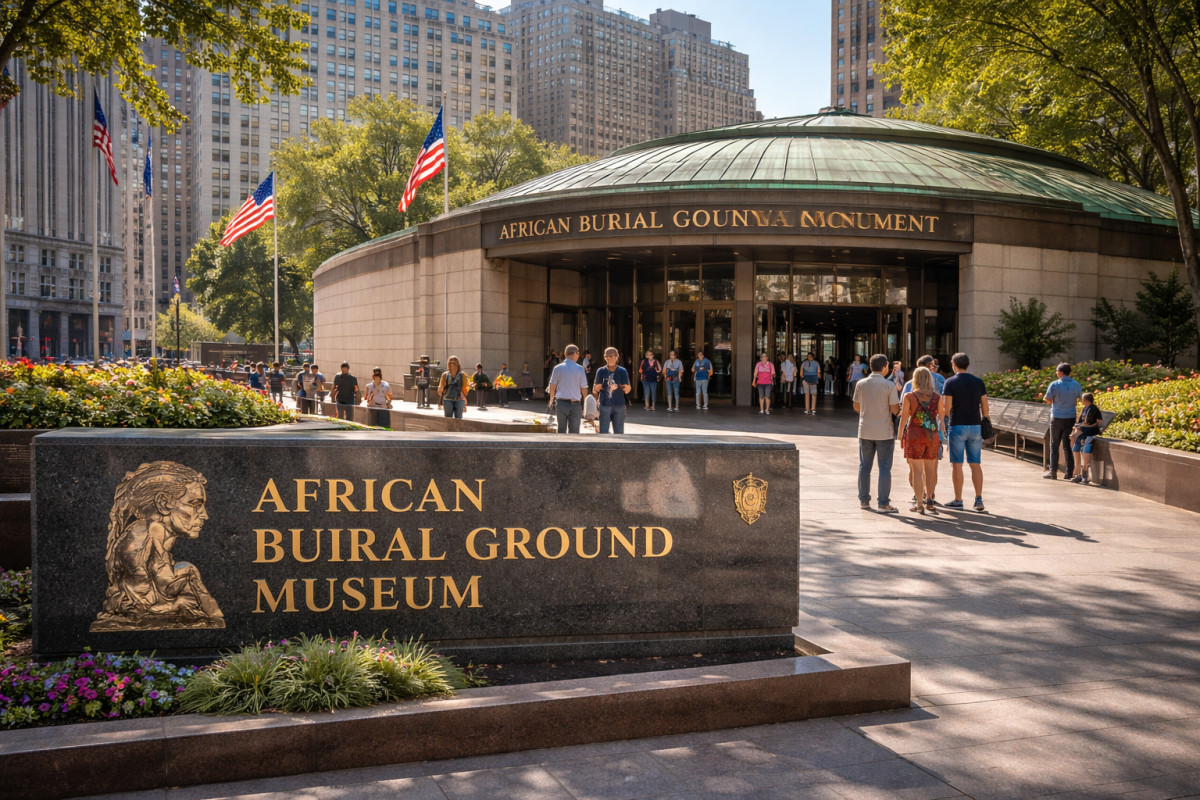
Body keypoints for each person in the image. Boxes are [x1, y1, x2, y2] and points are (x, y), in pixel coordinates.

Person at [91, 461, 223, 632]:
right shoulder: (147, 535)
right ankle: (214, 616)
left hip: (151, 596)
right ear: (163, 503)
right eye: (195, 504)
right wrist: (178, 600)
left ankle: (214, 616)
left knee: (188, 573)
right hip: (140, 602)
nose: (204, 515)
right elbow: (143, 599)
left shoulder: (156, 530)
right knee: (189, 572)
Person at [941, 352, 989, 512]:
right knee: (975, 464)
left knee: (957, 465)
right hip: (975, 426)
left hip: (958, 425)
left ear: (954, 364)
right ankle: (979, 498)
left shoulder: (950, 382)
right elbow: (985, 407)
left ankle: (958, 500)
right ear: (968, 365)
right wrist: (985, 420)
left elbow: (947, 409)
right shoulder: (978, 382)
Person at [854, 354, 901, 512]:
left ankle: (864, 501)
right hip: (884, 432)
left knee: (864, 467)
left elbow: (856, 407)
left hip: (865, 430)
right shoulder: (889, 385)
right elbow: (895, 409)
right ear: (885, 367)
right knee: (884, 468)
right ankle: (883, 503)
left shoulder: (861, 383)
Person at [899, 366, 942, 515]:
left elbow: (904, 418)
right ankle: (929, 500)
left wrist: (899, 436)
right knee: (930, 471)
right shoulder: (937, 397)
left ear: (915, 380)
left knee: (917, 471)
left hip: (914, 436)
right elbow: (941, 418)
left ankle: (919, 504)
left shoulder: (909, 396)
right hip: (932, 436)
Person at [1043, 362, 1083, 480]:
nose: (1056, 373)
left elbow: (1048, 399)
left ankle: (1053, 472)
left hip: (1056, 417)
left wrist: (1050, 400)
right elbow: (1079, 399)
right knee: (1067, 445)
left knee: (1054, 445)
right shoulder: (1076, 385)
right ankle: (1069, 473)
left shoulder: (1054, 384)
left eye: (1056, 371)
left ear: (1060, 372)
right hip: (1070, 417)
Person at [548, 343, 590, 433]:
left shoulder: (557, 368)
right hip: (575, 404)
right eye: (578, 353)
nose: (578, 355)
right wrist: (585, 403)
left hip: (561, 403)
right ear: (574, 353)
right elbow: (584, 388)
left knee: (561, 430)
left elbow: (552, 385)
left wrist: (551, 400)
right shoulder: (580, 369)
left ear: (565, 354)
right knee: (574, 432)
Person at [593, 346, 632, 433]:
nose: (611, 358)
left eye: (613, 356)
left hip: (619, 404)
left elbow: (628, 389)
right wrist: (605, 386)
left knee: (619, 431)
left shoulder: (622, 371)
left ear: (617, 357)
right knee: (603, 430)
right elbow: (596, 388)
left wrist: (620, 386)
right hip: (604, 404)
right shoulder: (601, 371)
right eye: (608, 356)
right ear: (605, 357)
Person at [1071, 392, 1103, 485]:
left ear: (1086, 400)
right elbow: (1080, 421)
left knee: (1086, 449)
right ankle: (1077, 472)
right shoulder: (1085, 409)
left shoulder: (1094, 409)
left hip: (1090, 432)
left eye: (1083, 399)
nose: (1081, 401)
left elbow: (1098, 422)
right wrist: (1079, 425)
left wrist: (1090, 425)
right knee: (1076, 448)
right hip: (1082, 431)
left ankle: (1084, 475)